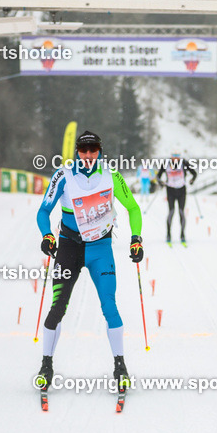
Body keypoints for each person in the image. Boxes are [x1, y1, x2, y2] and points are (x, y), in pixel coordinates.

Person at [36, 130, 144, 390]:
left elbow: (133, 208)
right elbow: (44, 210)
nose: (88, 155)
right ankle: (46, 364)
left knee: (109, 305)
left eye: (93, 150)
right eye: (83, 150)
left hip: (100, 248)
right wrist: (47, 235)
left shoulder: (111, 176)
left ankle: (120, 366)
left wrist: (136, 238)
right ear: (77, 151)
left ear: (99, 151)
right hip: (69, 248)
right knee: (58, 306)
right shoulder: (63, 176)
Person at [156, 153, 197, 245]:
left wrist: (192, 180)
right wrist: (161, 183)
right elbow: (158, 176)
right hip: (170, 190)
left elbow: (194, 173)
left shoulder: (184, 163)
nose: (176, 159)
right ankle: (168, 235)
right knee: (171, 212)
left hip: (182, 190)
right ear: (171, 157)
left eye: (177, 157)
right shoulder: (166, 163)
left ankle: (182, 235)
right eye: (174, 157)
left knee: (181, 212)